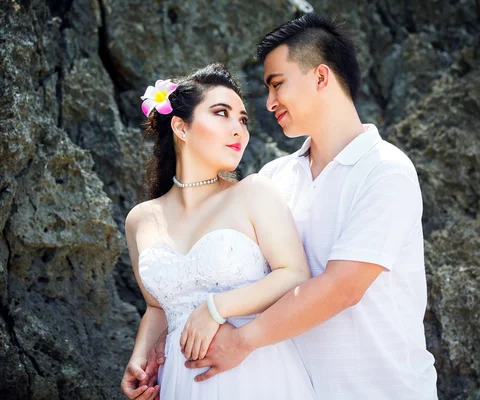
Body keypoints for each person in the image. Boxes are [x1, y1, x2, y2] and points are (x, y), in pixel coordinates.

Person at [178, 13, 439, 399]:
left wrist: (242, 341)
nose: (268, 103)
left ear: (320, 77)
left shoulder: (386, 170)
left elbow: (342, 287)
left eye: (277, 85)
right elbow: (243, 280)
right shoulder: (273, 177)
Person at [120, 63, 316, 400]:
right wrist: (138, 359)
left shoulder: (254, 192)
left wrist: (217, 307)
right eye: (221, 113)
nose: (238, 129)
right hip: (179, 381)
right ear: (181, 127)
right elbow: (157, 309)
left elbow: (295, 274)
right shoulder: (140, 219)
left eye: (242, 120)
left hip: (254, 373)